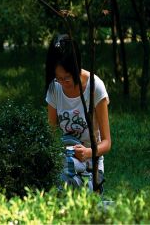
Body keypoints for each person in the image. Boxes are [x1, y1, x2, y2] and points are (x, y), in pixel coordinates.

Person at [45, 33, 111, 192]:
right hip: (65, 163)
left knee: (77, 193)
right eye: (58, 78)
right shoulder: (55, 88)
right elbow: (51, 134)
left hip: (91, 166)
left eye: (66, 78)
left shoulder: (95, 87)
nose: (62, 83)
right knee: (57, 186)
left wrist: (88, 153)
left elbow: (107, 143)